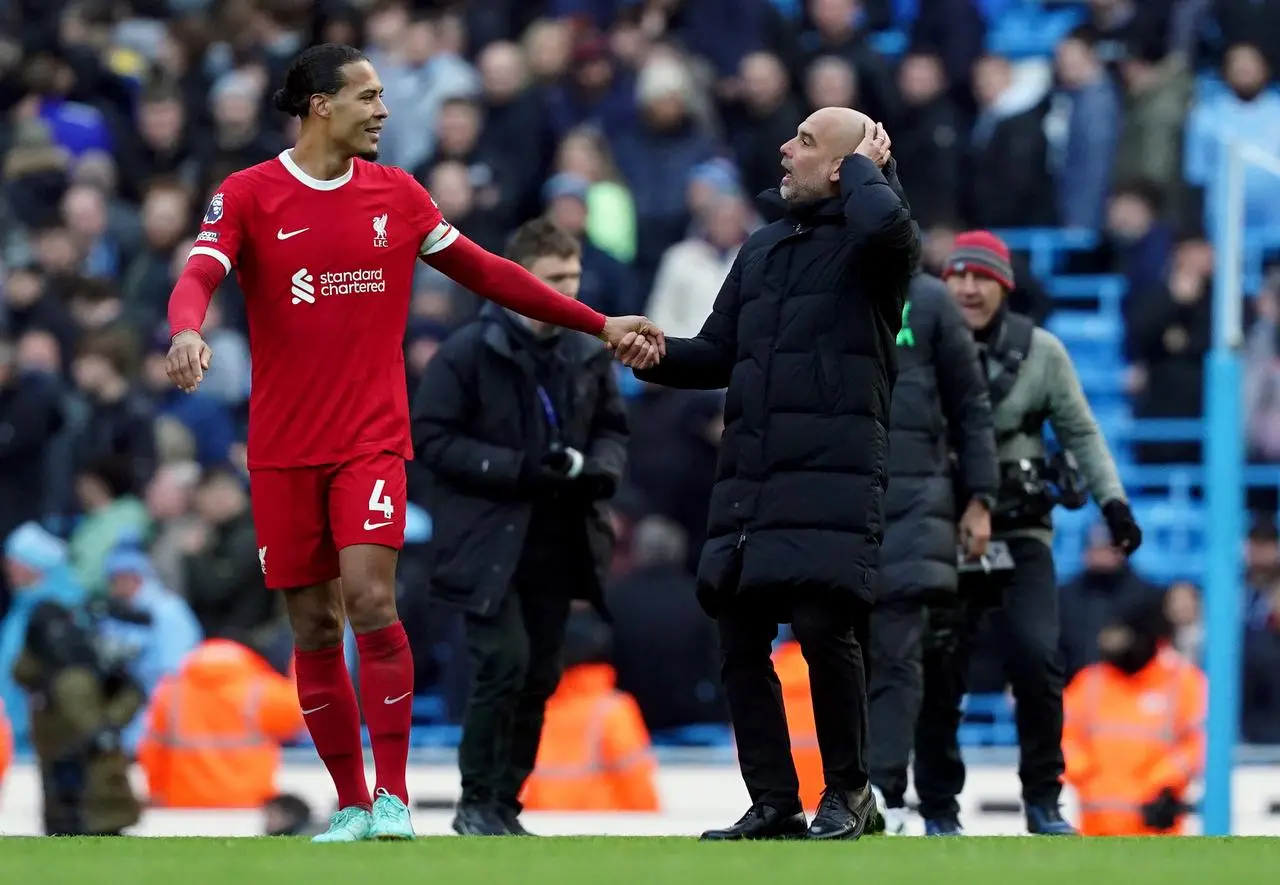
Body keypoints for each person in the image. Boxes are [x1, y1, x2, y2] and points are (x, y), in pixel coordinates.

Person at [163, 43, 664, 844]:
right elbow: (198, 274)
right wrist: (187, 331)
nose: (384, 110)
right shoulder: (249, 193)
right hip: (284, 446)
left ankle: (393, 799)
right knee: (315, 629)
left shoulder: (397, 195)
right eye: (368, 95)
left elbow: (493, 272)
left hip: (370, 437)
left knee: (369, 599)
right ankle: (352, 802)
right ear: (321, 104)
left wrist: (599, 323)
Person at [636, 108, 919, 841]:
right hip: (753, 474)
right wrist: (655, 353)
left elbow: (884, 225)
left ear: (842, 169)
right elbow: (717, 351)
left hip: (835, 473)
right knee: (737, 634)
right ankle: (773, 799)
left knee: (826, 628)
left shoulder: (875, 247)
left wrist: (867, 164)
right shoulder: (761, 248)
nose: (784, 150)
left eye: (804, 141)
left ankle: (850, 790)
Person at [913, 230, 1143, 836]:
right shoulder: (921, 347)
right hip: (942, 529)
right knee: (938, 668)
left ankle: (1043, 800)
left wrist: (1113, 503)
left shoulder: (1042, 353)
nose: (966, 287)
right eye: (956, 275)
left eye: (980, 276)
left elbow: (1082, 434)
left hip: (1022, 532)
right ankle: (938, 807)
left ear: (1004, 286)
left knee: (1039, 659)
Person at [411, 219, 629, 836]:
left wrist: (595, 470)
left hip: (558, 534)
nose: (569, 292)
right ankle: (477, 802)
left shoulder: (585, 352)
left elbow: (613, 428)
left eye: (574, 279)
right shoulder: (467, 353)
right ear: (521, 278)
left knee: (538, 674)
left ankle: (504, 805)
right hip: (488, 539)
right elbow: (430, 439)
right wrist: (517, 468)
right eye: (556, 280)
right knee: (503, 663)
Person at [869, 271, 998, 834]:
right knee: (843, 657)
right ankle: (859, 789)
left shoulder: (927, 301)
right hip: (837, 508)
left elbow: (970, 406)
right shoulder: (816, 285)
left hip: (914, 510)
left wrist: (980, 500)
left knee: (898, 656)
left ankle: (883, 792)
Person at [1062, 594, 1206, 836]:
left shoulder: (1184, 683)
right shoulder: (1089, 683)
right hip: (1096, 833)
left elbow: (1198, 744)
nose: (1110, 644)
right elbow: (1062, 738)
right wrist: (1087, 777)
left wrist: (1165, 784)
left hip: (1158, 834)